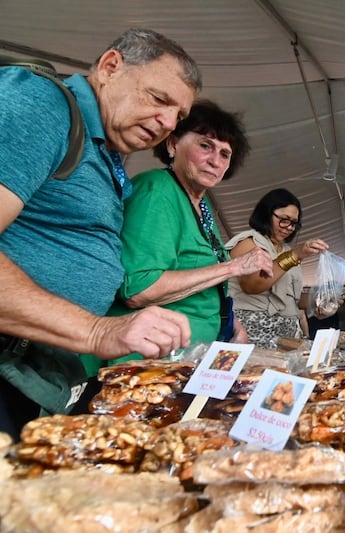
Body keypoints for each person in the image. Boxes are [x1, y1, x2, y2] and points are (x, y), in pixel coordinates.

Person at [0, 28, 201, 438]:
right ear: (110, 68)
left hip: (35, 370)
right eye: (159, 99)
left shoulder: (106, 153)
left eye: (178, 116)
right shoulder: (41, 103)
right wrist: (96, 330)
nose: (167, 123)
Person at [81, 100, 275, 377]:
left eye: (225, 154)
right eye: (205, 145)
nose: (215, 160)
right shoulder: (157, 191)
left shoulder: (201, 206)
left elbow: (197, 282)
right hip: (146, 364)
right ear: (172, 145)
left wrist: (230, 322)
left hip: (187, 358)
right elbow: (138, 289)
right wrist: (232, 267)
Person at [226, 189, 329, 347]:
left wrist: (318, 301)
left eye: (293, 223)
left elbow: (290, 297)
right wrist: (294, 256)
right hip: (253, 334)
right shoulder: (249, 242)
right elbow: (252, 285)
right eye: (284, 219)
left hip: (286, 336)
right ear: (266, 214)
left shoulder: (287, 250)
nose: (289, 227)